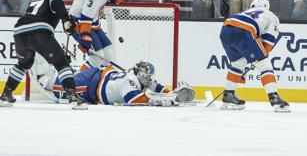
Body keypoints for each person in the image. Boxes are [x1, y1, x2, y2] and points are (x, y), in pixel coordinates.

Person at [0, 0, 88, 110]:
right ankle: (73, 97)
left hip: (19, 33)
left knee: (24, 63)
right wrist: (66, 20)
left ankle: (6, 94)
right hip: (39, 32)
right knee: (62, 63)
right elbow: (57, 4)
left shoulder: (34, 3)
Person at [219, 0, 290, 112]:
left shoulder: (246, 12)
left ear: (252, 6)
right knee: (264, 66)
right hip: (244, 31)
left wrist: (254, 57)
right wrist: (259, 59)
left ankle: (228, 96)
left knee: (238, 64)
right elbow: (268, 42)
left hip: (226, 28)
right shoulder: (272, 16)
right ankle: (274, 98)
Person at [30, 60, 195, 106]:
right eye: (148, 75)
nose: (150, 79)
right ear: (141, 73)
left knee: (69, 81)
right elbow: (134, 99)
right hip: (91, 85)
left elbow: (157, 87)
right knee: (62, 86)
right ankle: (42, 74)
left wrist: (172, 93)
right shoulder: (130, 81)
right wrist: (160, 101)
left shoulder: (139, 77)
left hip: (99, 76)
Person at [69, 0, 123, 71]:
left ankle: (101, 80)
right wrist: (85, 37)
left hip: (92, 24)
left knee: (108, 55)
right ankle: (79, 80)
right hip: (79, 24)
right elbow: (85, 16)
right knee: (97, 57)